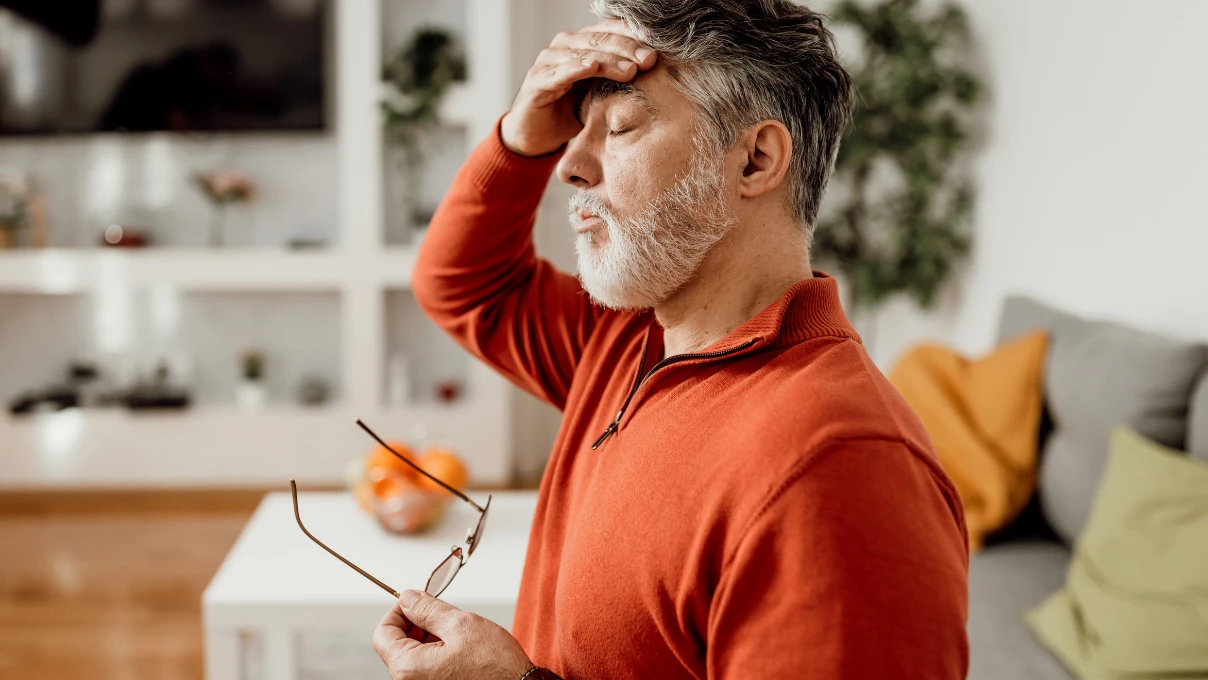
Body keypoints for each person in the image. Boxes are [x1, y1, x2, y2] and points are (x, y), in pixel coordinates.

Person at [372, 2, 969, 678]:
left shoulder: (836, 469)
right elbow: (464, 285)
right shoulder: (629, 340)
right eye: (575, 127)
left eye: (620, 126)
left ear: (755, 160)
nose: (568, 165)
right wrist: (518, 138)